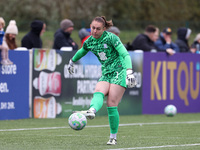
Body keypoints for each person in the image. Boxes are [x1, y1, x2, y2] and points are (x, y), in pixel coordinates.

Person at [67, 16, 136, 145]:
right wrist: (72, 61)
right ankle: (92, 111)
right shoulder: (89, 41)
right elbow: (82, 51)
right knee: (98, 90)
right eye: (93, 28)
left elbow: (125, 54)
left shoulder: (111, 38)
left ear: (104, 29)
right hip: (106, 72)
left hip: (119, 71)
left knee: (111, 103)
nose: (94, 31)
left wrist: (129, 72)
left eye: (98, 29)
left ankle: (113, 137)